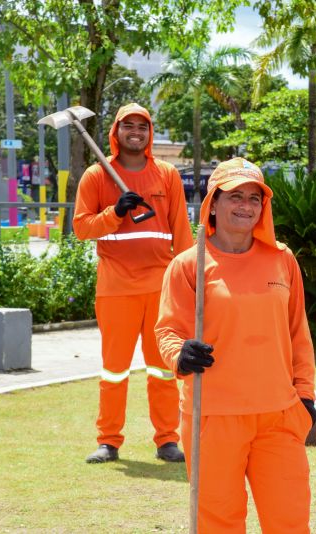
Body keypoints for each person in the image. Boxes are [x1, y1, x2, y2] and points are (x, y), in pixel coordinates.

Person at [155, 157, 316, 533]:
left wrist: (305, 397)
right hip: (211, 414)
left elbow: (298, 332)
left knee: (290, 521)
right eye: (235, 196)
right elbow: (167, 330)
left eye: (254, 198)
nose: (246, 206)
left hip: (279, 414)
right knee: (218, 523)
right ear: (214, 202)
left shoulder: (282, 259)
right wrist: (181, 354)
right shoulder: (188, 264)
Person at [74, 103, 193, 464]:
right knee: (114, 369)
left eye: (143, 126)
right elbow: (81, 228)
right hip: (116, 289)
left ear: (149, 132)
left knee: (163, 368)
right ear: (117, 131)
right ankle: (108, 441)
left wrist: (187, 282)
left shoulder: (167, 174)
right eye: (129, 126)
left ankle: (167, 440)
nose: (136, 132)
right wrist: (117, 212)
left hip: (161, 289)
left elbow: (182, 234)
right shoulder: (96, 176)